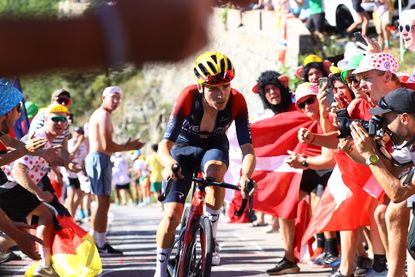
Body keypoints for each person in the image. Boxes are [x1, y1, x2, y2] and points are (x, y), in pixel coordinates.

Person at [155, 51, 256, 276]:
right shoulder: (187, 97)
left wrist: (246, 176)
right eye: (213, 89)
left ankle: (212, 232)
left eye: (226, 86)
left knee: (215, 172)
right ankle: (160, 270)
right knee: (172, 215)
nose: (221, 94)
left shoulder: (237, 100)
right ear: (200, 87)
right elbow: (164, 146)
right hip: (183, 147)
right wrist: (171, 164)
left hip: (214, 144)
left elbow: (247, 148)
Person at [6, 103, 72, 276]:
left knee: (16, 232)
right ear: (44, 121)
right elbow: (17, 170)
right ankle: (44, 265)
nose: (60, 123)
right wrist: (39, 193)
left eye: (63, 120)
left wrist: (61, 163)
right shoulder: (41, 137)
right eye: (55, 119)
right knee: (46, 216)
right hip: (9, 186)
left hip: (10, 187)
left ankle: (44, 264)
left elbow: (55, 160)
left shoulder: (48, 142)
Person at [86, 86, 144, 255]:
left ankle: (95, 241)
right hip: (99, 158)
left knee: (100, 202)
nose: (117, 101)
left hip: (99, 158)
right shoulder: (102, 115)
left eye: (119, 97)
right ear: (104, 97)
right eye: (113, 97)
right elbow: (106, 145)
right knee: (103, 202)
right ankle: (101, 244)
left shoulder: (102, 114)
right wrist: (130, 146)